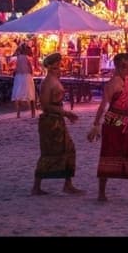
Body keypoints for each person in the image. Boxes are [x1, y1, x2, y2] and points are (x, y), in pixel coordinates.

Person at [87, 52, 128, 204]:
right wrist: (96, 124)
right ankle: (101, 193)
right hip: (114, 121)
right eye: (126, 65)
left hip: (126, 121)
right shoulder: (113, 84)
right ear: (119, 66)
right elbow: (103, 105)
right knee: (108, 153)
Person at [31, 53, 83, 196]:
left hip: (57, 119)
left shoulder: (54, 78)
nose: (60, 66)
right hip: (50, 121)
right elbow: (45, 105)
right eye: (58, 64)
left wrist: (64, 114)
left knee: (68, 149)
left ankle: (68, 184)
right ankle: (36, 186)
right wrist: (66, 113)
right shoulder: (47, 82)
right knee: (49, 152)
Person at [11, 43, 38, 118]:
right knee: (31, 95)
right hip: (27, 77)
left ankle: (18, 114)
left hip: (19, 77)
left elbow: (15, 68)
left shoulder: (18, 58)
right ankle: (33, 114)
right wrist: (33, 74)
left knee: (18, 95)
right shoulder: (28, 58)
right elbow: (31, 69)